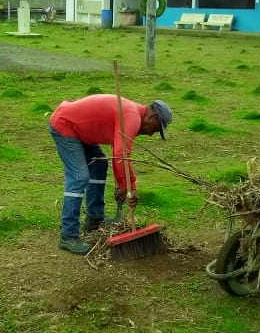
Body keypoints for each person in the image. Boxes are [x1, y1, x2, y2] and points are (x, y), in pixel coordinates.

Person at [48, 94, 172, 255]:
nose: (151, 134)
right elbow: (121, 154)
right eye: (156, 129)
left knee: (99, 165)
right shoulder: (132, 116)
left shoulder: (130, 113)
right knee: (79, 177)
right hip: (65, 125)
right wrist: (129, 186)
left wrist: (123, 184)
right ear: (153, 116)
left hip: (80, 131)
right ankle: (68, 235)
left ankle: (94, 218)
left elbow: (117, 151)